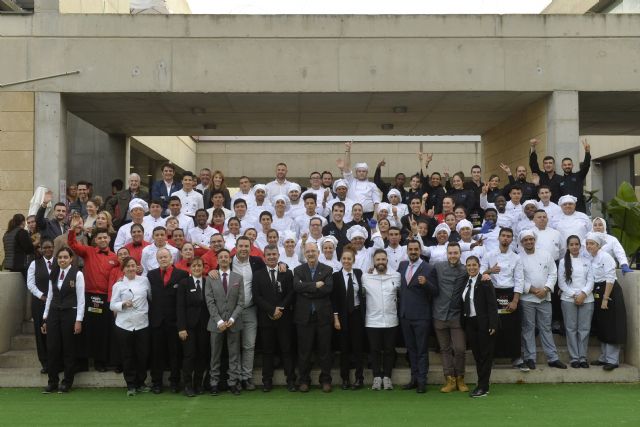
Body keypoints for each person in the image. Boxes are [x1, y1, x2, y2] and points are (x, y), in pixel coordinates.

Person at [67, 221, 118, 373]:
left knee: (102, 331)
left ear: (109, 240)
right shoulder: (88, 251)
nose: (102, 240)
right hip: (88, 296)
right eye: (100, 238)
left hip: (105, 298)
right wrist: (72, 230)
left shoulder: (115, 258)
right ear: (95, 240)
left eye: (105, 238)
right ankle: (82, 362)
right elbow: (73, 244)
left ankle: (100, 361)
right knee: (85, 329)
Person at [518, 230, 566, 370]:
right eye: (526, 240)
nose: (529, 242)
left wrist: (545, 289)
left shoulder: (546, 255)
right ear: (521, 243)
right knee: (528, 328)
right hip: (527, 298)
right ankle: (530, 357)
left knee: (546, 328)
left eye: (531, 239)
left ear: (534, 240)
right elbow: (518, 278)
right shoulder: (518, 258)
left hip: (545, 297)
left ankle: (553, 358)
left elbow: (553, 273)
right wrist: (532, 290)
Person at [41, 247, 85, 393]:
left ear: (71, 259)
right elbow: (50, 296)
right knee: (52, 348)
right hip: (54, 313)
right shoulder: (53, 273)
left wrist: (79, 320)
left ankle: (67, 382)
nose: (62, 260)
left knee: (68, 349)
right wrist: (45, 318)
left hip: (69, 314)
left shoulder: (77, 274)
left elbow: (81, 299)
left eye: (65, 257)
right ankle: (52, 382)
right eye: (60, 257)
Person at [253, 245, 296, 392]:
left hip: (284, 318)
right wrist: (271, 310)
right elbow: (257, 296)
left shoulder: (287, 273)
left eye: (274, 254)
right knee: (268, 351)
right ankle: (267, 381)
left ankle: (290, 380)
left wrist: (280, 308)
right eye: (268, 254)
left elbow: (291, 293)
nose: (271, 257)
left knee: (287, 350)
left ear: (279, 255)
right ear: (264, 256)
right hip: (266, 318)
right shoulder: (257, 275)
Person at [480, 227, 525, 368]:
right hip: (493, 293)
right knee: (493, 326)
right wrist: (490, 271)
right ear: (498, 238)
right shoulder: (489, 255)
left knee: (513, 327)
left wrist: (515, 301)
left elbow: (519, 280)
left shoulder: (516, 257)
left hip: (510, 293)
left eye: (508, 236)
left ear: (512, 239)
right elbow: (480, 272)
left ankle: (516, 358)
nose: (505, 238)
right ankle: (491, 357)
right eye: (503, 236)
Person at [293, 243, 334, 393]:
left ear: (318, 252)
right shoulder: (298, 270)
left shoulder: (327, 269)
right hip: (304, 317)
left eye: (313, 251)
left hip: (322, 317)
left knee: (325, 351)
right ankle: (303, 380)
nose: (311, 253)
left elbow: (327, 289)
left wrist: (307, 288)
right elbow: (297, 287)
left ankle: (326, 380)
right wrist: (316, 285)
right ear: (304, 253)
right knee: (304, 351)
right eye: (308, 251)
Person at [147, 248, 189, 393]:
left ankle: (175, 382)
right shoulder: (151, 275)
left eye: (166, 257)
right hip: (157, 321)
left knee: (175, 353)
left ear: (171, 258)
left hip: (175, 321)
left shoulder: (182, 274)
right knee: (156, 354)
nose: (163, 259)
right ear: (157, 259)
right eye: (160, 257)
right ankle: (157, 383)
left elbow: (183, 300)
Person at [398, 240, 437, 394]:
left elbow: (435, 291)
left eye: (416, 249)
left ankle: (422, 381)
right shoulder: (402, 266)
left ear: (420, 250)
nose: (413, 251)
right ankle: (413, 379)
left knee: (421, 350)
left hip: (421, 316)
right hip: (405, 315)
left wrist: (426, 283)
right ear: (407, 251)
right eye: (410, 249)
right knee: (411, 350)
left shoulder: (428, 268)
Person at [430, 242, 469, 393]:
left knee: (460, 348)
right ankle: (450, 379)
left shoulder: (465, 270)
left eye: (455, 253)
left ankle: (460, 378)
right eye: (450, 253)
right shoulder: (438, 267)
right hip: (439, 313)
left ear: (460, 254)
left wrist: (488, 272)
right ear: (447, 254)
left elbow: (477, 274)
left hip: (457, 315)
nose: (453, 256)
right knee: (445, 349)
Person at [205, 248, 244, 396]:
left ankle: (233, 382)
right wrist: (219, 320)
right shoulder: (211, 278)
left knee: (234, 354)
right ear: (217, 260)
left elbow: (241, 302)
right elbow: (210, 302)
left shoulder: (237, 278)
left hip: (234, 322)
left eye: (226, 257)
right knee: (215, 354)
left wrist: (233, 318)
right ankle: (214, 382)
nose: (223, 259)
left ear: (230, 259)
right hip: (216, 324)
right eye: (220, 257)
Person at [110, 257, 151, 396]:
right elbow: (112, 305)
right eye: (127, 266)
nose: (131, 268)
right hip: (124, 325)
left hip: (142, 324)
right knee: (127, 356)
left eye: (133, 265)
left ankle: (141, 383)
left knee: (142, 355)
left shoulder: (145, 280)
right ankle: (131, 385)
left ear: (136, 267)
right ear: (123, 269)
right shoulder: (118, 285)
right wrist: (123, 304)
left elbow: (150, 297)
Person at [586, 233, 627, 371]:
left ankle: (612, 360)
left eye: (592, 244)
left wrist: (605, 298)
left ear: (598, 245)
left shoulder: (606, 257)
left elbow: (610, 278)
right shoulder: (591, 258)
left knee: (611, 325)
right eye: (588, 243)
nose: (589, 246)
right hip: (598, 291)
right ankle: (604, 357)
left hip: (609, 292)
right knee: (602, 324)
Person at [361, 249, 401, 391]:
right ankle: (377, 377)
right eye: (378, 260)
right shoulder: (366, 277)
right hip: (372, 321)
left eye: (383, 259)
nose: (381, 262)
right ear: (374, 262)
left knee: (390, 350)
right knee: (375, 350)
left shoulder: (396, 276)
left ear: (387, 260)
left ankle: (387, 377)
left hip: (391, 320)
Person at [461, 256, 498, 398]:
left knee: (485, 356)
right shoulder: (465, 281)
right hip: (470, 323)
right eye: (469, 265)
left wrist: (493, 323)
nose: (471, 267)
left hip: (484, 323)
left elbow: (492, 304)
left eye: (474, 265)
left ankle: (484, 387)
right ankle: (481, 384)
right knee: (477, 356)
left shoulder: (485, 281)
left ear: (479, 265)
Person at [331, 246, 365, 391]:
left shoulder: (358, 273)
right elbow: (334, 300)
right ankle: (345, 378)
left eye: (349, 259)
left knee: (358, 348)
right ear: (340, 260)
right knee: (344, 348)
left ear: (353, 260)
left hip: (356, 314)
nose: (346, 261)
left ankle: (359, 378)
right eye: (344, 258)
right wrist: (336, 318)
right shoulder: (336, 276)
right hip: (343, 315)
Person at [558, 235, 594, 368]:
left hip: (587, 299)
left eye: (576, 244)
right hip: (568, 299)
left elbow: (591, 280)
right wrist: (575, 295)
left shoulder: (587, 260)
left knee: (584, 329)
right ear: (567, 246)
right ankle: (574, 358)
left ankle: (583, 358)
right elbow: (561, 283)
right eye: (571, 244)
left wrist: (583, 294)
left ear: (580, 245)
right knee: (571, 329)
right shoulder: (563, 262)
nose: (574, 247)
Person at [176, 257, 210, 397]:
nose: (197, 268)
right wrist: (181, 328)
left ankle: (198, 384)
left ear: (203, 268)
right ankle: (188, 385)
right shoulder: (184, 283)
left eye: (199, 266)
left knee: (202, 354)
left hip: (205, 326)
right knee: (189, 356)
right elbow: (180, 307)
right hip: (188, 327)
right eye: (194, 266)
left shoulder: (208, 282)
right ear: (190, 268)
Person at [26, 238, 55, 374]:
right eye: (45, 248)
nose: (48, 250)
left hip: (56, 303)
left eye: (50, 247)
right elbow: (30, 283)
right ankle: (46, 363)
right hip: (39, 303)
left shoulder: (59, 261)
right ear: (41, 249)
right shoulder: (34, 264)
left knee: (54, 332)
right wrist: (41, 295)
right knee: (41, 333)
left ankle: (57, 361)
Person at [337, 141, 381, 219]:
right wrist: (348, 150)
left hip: (368, 215)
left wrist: (374, 216)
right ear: (356, 172)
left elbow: (376, 202)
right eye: (359, 171)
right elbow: (347, 168)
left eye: (363, 171)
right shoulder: (351, 181)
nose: (361, 173)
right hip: (351, 215)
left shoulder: (372, 185)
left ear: (367, 172)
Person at [559, 138, 591, 213]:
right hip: (565, 210)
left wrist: (587, 152)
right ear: (562, 166)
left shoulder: (579, 176)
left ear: (573, 165)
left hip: (579, 209)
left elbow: (586, 166)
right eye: (565, 165)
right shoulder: (559, 179)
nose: (567, 166)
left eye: (569, 164)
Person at [529, 138, 563, 203]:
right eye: (546, 163)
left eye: (550, 163)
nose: (548, 165)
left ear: (554, 165)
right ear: (543, 165)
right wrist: (533, 147)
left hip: (557, 208)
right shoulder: (539, 176)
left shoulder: (561, 178)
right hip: (542, 208)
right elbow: (533, 163)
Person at [2, 213, 34, 278]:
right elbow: (29, 249)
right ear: (23, 222)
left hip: (9, 265)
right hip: (20, 265)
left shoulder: (7, 233)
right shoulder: (22, 232)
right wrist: (35, 243)